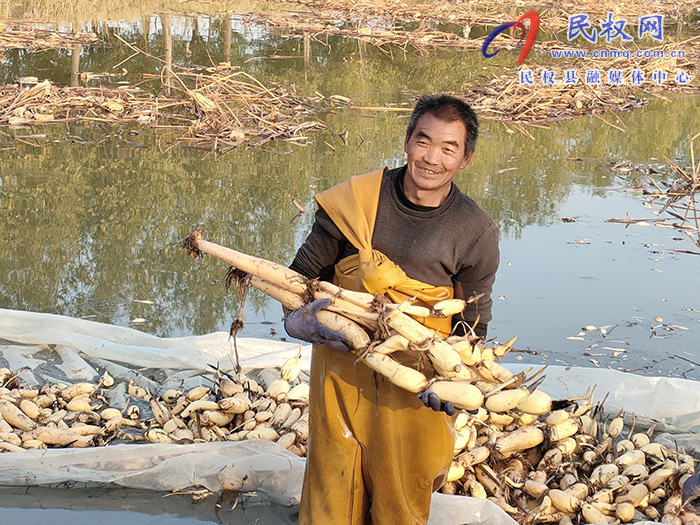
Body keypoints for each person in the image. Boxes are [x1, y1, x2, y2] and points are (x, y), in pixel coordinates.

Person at [285, 94, 500, 524]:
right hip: (342, 368)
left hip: (415, 379)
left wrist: (458, 380)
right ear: (407, 141)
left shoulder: (475, 231)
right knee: (332, 486)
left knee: (401, 496)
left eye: (448, 148)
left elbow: (473, 322)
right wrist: (299, 321)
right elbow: (300, 278)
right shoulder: (356, 202)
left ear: (466, 158)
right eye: (424, 141)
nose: (432, 158)